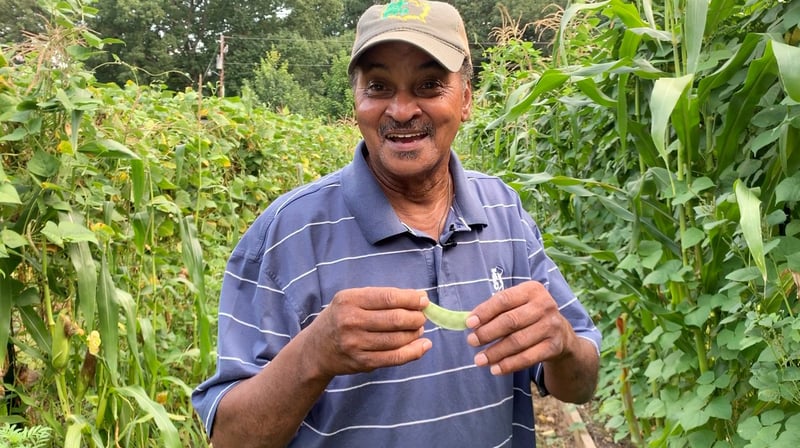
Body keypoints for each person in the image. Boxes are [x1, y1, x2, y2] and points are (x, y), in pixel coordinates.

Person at [191, 1, 601, 446]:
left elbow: (580, 384)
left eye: (429, 84)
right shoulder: (287, 234)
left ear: (465, 100)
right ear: (357, 102)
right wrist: (316, 352)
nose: (402, 110)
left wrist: (560, 341)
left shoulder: (504, 210)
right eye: (379, 86)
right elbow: (231, 438)